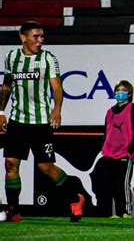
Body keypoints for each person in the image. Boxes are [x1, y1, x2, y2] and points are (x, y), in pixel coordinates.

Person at [0, 21, 85, 222]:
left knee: (46, 167)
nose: (40, 40)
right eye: (36, 36)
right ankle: (13, 210)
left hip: (40, 123)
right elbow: (6, 87)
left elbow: (56, 87)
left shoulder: (48, 59)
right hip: (17, 121)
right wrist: (0, 111)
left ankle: (75, 199)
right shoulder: (12, 57)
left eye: (42, 36)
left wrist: (57, 109)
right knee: (10, 164)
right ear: (23, 37)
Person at [93, 80, 134, 218]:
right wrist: (105, 146)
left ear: (129, 94)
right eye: (118, 90)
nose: (119, 93)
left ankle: (126, 212)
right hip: (109, 153)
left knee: (123, 184)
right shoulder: (110, 112)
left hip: (124, 154)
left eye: (123, 91)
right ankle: (114, 213)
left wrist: (131, 149)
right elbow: (106, 131)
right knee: (110, 184)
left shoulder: (133, 109)